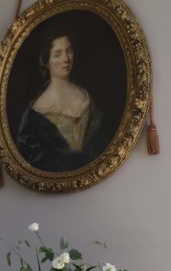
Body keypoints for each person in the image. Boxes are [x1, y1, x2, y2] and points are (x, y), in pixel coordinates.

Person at [16, 25, 105, 171]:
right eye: (58, 54)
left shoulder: (86, 96)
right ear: (46, 61)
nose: (66, 59)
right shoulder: (37, 112)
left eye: (69, 51)